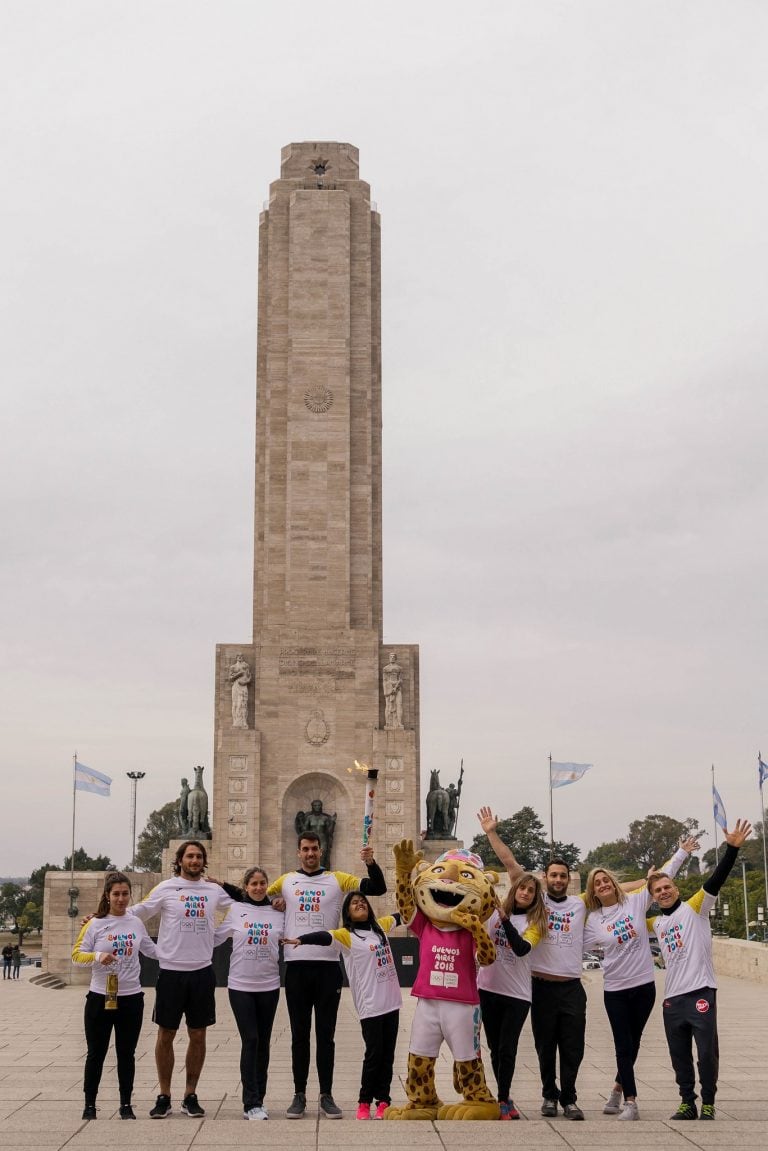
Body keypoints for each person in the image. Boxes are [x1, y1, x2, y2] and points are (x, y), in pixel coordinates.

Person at [476, 805, 675, 1120]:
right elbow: (510, 864)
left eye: (562, 876)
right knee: (545, 1048)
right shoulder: (536, 901)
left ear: (568, 880)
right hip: (540, 986)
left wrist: (648, 880)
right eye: (552, 875)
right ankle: (549, 1097)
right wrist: (491, 833)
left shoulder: (579, 903)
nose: (557, 879)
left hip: (571, 986)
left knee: (573, 1046)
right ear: (545, 878)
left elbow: (619, 889)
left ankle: (569, 1098)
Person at [267, 833, 386, 1119]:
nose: (310, 853)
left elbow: (378, 888)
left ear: (321, 851)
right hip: (296, 967)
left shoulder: (337, 879)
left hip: (328, 967)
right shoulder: (284, 881)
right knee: (299, 1036)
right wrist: (273, 902)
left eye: (314, 849)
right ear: (298, 852)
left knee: (326, 1036)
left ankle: (326, 1094)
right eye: (305, 849)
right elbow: (258, 895)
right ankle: (299, 1095)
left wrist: (371, 863)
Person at [583, 837, 695, 1121]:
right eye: (598, 883)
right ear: (593, 891)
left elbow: (662, 878)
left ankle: (617, 1089)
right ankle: (631, 1102)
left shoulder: (635, 902)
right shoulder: (594, 920)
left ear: (613, 883)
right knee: (623, 1043)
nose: (604, 885)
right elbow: (573, 944)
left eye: (606, 880)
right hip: (615, 989)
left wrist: (681, 851)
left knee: (634, 1042)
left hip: (644, 986)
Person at [648, 818, 752, 1121]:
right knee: (679, 1055)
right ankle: (686, 1102)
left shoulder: (694, 907)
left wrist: (731, 850)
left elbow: (716, 879)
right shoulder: (655, 923)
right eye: (658, 890)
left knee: (706, 1053)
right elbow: (628, 911)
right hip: (672, 999)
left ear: (676, 888)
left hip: (701, 992)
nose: (664, 892)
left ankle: (708, 1101)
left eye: (667, 887)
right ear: (653, 897)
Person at [131, 840, 232, 1119]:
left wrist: (218, 937)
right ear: (180, 861)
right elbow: (139, 912)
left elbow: (241, 909)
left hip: (202, 971)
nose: (195, 860)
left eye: (199, 856)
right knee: (166, 1034)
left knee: (198, 1035)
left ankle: (190, 1095)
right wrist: (104, 917)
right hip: (171, 972)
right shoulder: (165, 888)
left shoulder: (213, 891)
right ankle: (164, 1094)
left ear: (204, 861)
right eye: (190, 856)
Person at [285, 892, 402, 1119]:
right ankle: (364, 1101)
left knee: (388, 1055)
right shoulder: (347, 935)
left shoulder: (380, 926)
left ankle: (384, 1101)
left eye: (362, 902)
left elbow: (402, 915)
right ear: (347, 912)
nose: (359, 904)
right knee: (374, 1054)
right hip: (371, 1005)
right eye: (353, 903)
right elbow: (324, 936)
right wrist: (302, 939)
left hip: (391, 1002)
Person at [72, 871, 158, 1120]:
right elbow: (77, 956)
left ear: (130, 895)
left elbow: (152, 951)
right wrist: (98, 956)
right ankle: (90, 1104)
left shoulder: (135, 923)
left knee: (126, 1053)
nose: (121, 899)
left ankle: (126, 1104)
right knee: (96, 1053)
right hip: (101, 997)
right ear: (107, 896)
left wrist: (183, 953)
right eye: (116, 894)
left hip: (131, 998)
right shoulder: (95, 924)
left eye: (125, 894)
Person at [214, 866, 284, 1120]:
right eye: (253, 883)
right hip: (241, 986)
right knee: (251, 1039)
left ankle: (260, 1099)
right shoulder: (236, 910)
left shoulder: (278, 912)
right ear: (245, 887)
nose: (258, 887)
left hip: (269, 986)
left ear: (267, 885)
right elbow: (215, 938)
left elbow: (293, 936)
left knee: (263, 1043)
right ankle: (250, 1102)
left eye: (262, 883)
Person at [477, 871, 548, 1119]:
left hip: (516, 995)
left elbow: (520, 949)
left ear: (535, 897)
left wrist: (505, 919)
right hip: (487, 988)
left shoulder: (536, 922)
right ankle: (502, 1096)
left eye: (530, 891)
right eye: (522, 888)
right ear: (514, 889)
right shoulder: (492, 915)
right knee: (495, 1049)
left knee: (508, 1048)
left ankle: (504, 1097)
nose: (525, 893)